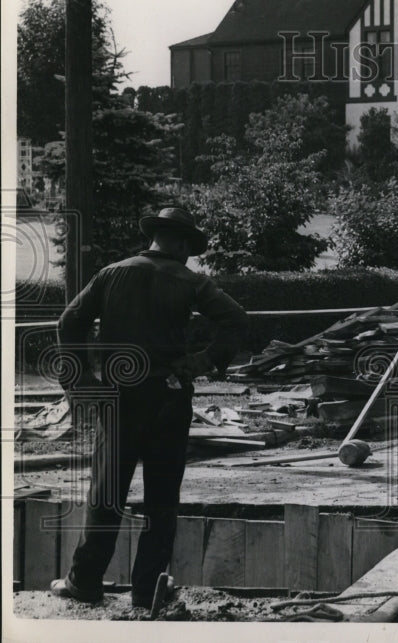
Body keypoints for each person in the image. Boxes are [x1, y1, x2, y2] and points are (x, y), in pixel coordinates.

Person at [50, 207, 248, 608]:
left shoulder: (111, 273)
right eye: (189, 249)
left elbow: (69, 322)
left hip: (119, 396)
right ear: (178, 242)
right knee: (162, 499)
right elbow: (237, 321)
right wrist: (199, 363)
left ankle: (85, 582)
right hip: (169, 397)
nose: (189, 257)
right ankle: (147, 590)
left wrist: (82, 384)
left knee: (106, 493)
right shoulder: (192, 281)